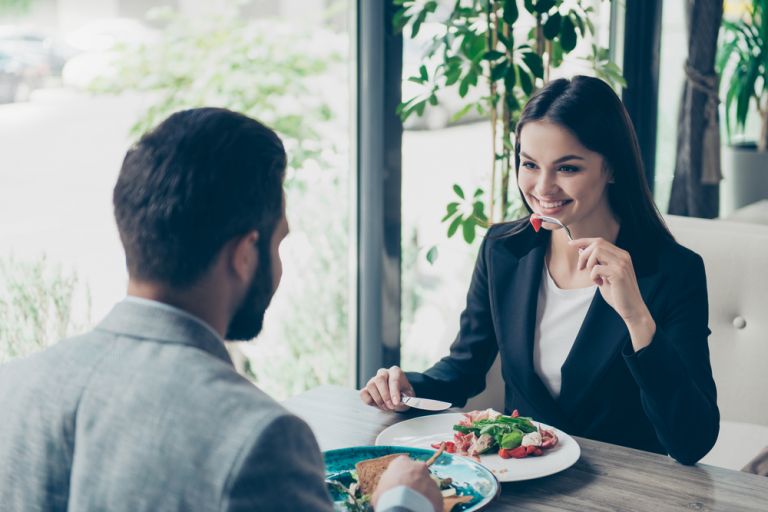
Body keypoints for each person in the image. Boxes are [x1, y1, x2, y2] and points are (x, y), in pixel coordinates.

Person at [0, 108, 442, 512]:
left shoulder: (13, 388)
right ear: (244, 255)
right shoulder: (259, 439)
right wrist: (404, 504)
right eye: (278, 242)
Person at [361, 76, 719, 465]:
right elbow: (463, 370)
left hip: (623, 491)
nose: (543, 187)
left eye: (567, 168)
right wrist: (406, 387)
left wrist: (636, 318)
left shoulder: (672, 272)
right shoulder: (503, 250)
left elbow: (692, 442)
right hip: (519, 479)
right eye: (530, 164)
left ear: (611, 168)